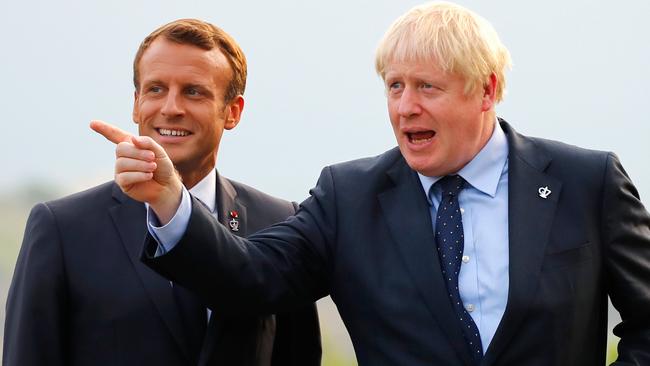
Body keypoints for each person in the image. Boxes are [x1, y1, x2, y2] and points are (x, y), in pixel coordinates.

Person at [93, 3, 650, 365]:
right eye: (394, 87)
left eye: (427, 87)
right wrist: (171, 201)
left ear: (486, 90)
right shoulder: (348, 197)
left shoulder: (586, 181)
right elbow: (249, 277)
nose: (406, 108)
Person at [4, 19, 321, 366]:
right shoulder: (61, 229)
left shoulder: (280, 222)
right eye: (156, 89)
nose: (171, 107)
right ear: (136, 102)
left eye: (193, 91)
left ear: (232, 112)